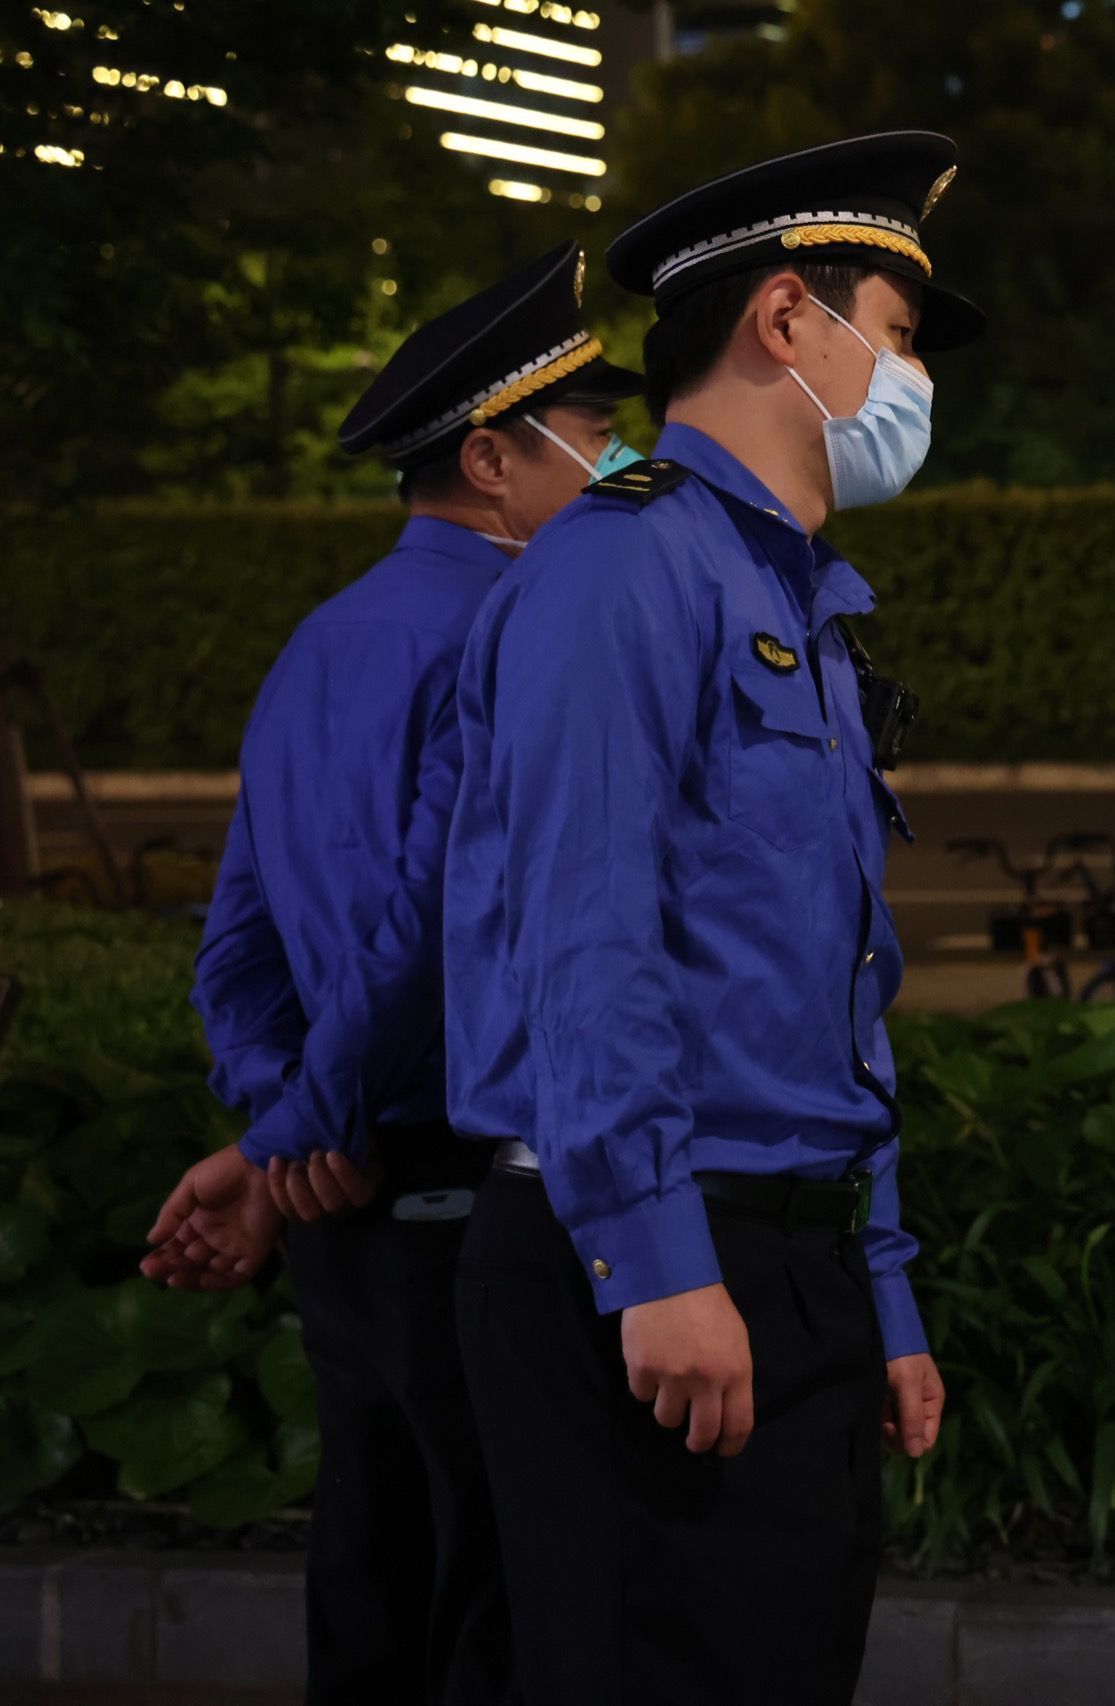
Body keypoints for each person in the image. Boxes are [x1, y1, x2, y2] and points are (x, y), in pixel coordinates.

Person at [438, 132, 978, 1706]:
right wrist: (657, 1256)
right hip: (646, 1249)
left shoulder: (802, 596)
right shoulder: (625, 569)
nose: (911, 373)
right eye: (899, 324)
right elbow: (584, 931)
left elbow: (826, 983)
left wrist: (875, 1281)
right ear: (787, 320)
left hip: (778, 1251)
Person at [141, 241, 643, 1706]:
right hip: (450, 1183)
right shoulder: (517, 624)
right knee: (489, 1588)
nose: (618, 457)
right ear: (494, 458)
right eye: (596, 433)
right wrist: (306, 1128)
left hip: (340, 1200)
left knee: (368, 1568)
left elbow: (236, 936)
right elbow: (432, 918)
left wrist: (275, 1123)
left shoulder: (317, 638)